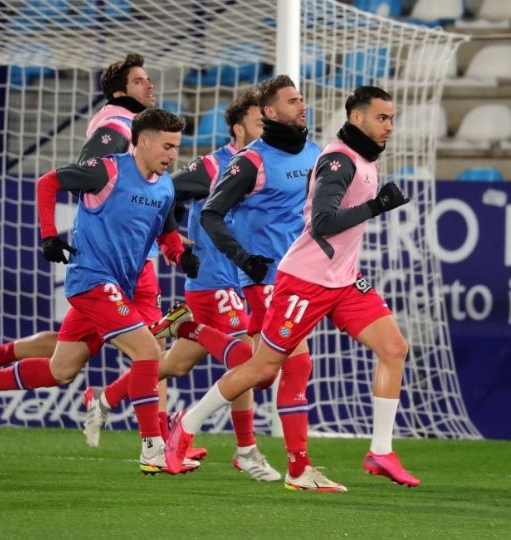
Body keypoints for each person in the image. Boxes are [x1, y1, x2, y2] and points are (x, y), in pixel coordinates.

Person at [164, 86, 420, 490]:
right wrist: (235, 256)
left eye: (392, 118)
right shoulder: (325, 160)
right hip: (299, 279)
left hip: (343, 278)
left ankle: (380, 452)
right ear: (357, 118)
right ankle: (190, 425)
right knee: (265, 368)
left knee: (394, 348)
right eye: (382, 118)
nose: (389, 126)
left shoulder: (330, 153)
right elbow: (321, 223)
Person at [0, 108, 197, 475]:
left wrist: (181, 256)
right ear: (142, 141)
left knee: (61, 370)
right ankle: (152, 446)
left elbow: (166, 235)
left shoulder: (165, 186)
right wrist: (48, 236)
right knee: (148, 351)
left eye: (176, 147)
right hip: (92, 280)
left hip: (119, 288)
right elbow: (48, 182)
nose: (174, 155)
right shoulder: (106, 170)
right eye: (168, 146)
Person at [0, 54, 176, 444]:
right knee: (151, 347)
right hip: (111, 260)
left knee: (70, 359)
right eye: (139, 81)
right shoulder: (118, 126)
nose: (149, 86)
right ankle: (156, 442)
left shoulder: (135, 128)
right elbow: (88, 176)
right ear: (119, 91)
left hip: (131, 259)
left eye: (148, 79)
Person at [84, 88, 282, 481]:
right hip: (214, 279)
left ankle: (105, 397)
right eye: (260, 122)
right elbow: (167, 190)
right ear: (238, 127)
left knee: (174, 363)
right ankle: (245, 449)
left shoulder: (264, 164)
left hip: (240, 279)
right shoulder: (215, 165)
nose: (265, 129)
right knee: (246, 361)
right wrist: (176, 240)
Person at [162, 74, 330, 489]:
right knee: (289, 362)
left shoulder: (311, 152)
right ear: (254, 120)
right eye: (291, 101)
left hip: (294, 276)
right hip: (244, 278)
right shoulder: (234, 163)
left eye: (300, 99)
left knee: (256, 369)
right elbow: (181, 200)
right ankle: (286, 464)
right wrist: (175, 245)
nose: (301, 105)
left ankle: (180, 414)